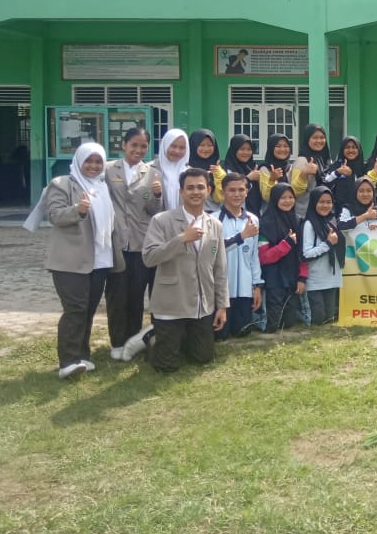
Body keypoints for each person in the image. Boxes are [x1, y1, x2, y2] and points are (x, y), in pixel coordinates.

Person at [37, 142, 122, 379]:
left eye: (98, 162)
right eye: (89, 161)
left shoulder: (104, 186)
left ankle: (82, 355)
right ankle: (68, 361)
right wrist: (78, 210)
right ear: (78, 161)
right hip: (70, 261)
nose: (94, 166)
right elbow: (54, 215)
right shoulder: (62, 184)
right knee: (75, 309)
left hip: (100, 259)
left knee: (88, 310)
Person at [137, 168, 228, 373]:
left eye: (200, 187)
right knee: (166, 366)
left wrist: (222, 305)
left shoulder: (215, 225)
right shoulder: (162, 220)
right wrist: (181, 239)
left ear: (208, 190)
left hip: (201, 305)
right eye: (190, 188)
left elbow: (220, 268)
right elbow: (149, 258)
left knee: (203, 358)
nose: (195, 192)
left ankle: (179, 339)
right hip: (172, 303)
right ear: (181, 192)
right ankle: (152, 338)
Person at [104, 128, 162, 358]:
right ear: (124, 145)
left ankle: (132, 340)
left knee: (136, 295)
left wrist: (156, 195)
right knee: (116, 294)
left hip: (140, 242)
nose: (138, 150)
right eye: (134, 145)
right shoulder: (108, 169)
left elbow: (153, 210)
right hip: (116, 241)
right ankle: (117, 342)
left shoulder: (152, 173)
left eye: (143, 146)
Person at [216, 172, 264, 339]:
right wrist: (241, 237)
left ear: (247, 192)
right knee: (220, 336)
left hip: (244, 289)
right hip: (222, 291)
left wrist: (257, 286)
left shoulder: (253, 219)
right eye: (232, 190)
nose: (237, 194)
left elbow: (254, 255)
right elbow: (214, 251)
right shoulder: (214, 219)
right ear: (222, 192)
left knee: (242, 332)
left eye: (241, 190)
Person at [259, 183, 305, 331]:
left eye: (291, 197)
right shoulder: (265, 223)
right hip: (273, 278)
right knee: (273, 325)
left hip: (292, 276)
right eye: (283, 197)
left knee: (289, 323)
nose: (287, 201)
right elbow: (264, 257)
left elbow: (303, 253)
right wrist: (286, 244)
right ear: (274, 199)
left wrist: (302, 278)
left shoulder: (298, 221)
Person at [301, 185, 342, 325]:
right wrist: (328, 244)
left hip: (331, 277)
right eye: (321, 202)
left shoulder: (332, 221)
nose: (325, 205)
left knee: (329, 318)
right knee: (318, 319)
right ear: (314, 202)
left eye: (328, 202)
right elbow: (306, 254)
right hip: (315, 280)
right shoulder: (309, 224)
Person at [292, 123, 333, 218]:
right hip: (305, 214)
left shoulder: (325, 160)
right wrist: (304, 174)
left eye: (322, 137)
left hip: (324, 213)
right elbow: (294, 191)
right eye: (315, 138)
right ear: (308, 139)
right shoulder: (302, 161)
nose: (319, 141)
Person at [222, 133, 264, 215]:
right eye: (242, 149)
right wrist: (248, 179)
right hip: (232, 214)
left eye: (249, 149)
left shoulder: (253, 167)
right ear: (234, 150)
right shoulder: (226, 169)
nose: (246, 152)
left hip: (254, 215)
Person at [188, 129, 226, 212]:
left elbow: (220, 197)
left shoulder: (219, 168)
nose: (206, 149)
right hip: (190, 213)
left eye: (210, 145)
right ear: (193, 145)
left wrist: (219, 175)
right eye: (201, 145)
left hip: (215, 215)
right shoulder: (186, 169)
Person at [326, 135, 367, 210]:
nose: (351, 150)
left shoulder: (364, 167)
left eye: (354, 147)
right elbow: (325, 182)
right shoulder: (336, 166)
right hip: (339, 209)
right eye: (347, 147)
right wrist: (337, 172)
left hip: (361, 209)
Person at [156, 128, 190, 211]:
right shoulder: (150, 169)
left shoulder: (190, 173)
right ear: (165, 145)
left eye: (182, 148)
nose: (177, 151)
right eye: (173, 146)